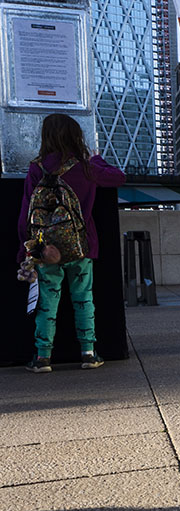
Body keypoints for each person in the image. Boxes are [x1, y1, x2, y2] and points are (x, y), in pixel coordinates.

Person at [16, 113, 125, 373]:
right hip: (80, 246)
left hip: (48, 250)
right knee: (83, 299)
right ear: (75, 135)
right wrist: (96, 158)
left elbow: (25, 215)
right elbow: (118, 177)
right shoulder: (85, 166)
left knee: (46, 304)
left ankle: (43, 358)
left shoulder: (36, 168)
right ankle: (88, 353)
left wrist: (28, 249)